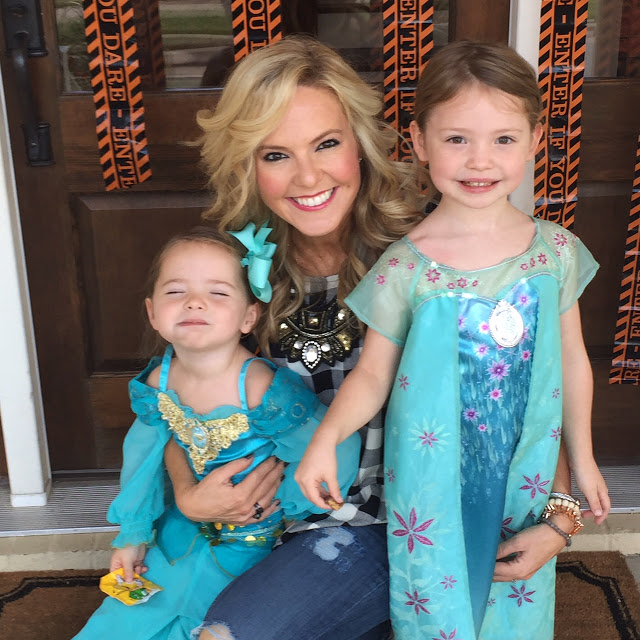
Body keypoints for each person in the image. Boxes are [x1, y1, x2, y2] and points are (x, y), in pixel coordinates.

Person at [164, 36, 581, 640]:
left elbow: (528, 386)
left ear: (361, 143)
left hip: (397, 526)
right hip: (268, 523)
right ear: (245, 165)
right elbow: (170, 396)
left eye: (326, 144)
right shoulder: (231, 266)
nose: (308, 176)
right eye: (275, 154)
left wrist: (561, 514)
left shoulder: (439, 246)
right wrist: (187, 496)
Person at [295, 40, 611, 640]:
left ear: (536, 139)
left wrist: (585, 458)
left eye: (503, 139)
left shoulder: (556, 252)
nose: (479, 161)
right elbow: (373, 375)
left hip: (525, 473)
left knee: (516, 603)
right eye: (457, 138)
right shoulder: (405, 266)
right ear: (419, 141)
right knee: (436, 610)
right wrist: (326, 439)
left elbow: (572, 361)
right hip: (430, 479)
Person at [72, 225, 360, 640]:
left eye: (218, 293)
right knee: (127, 619)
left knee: (208, 620)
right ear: (152, 312)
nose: (194, 302)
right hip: (181, 528)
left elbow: (333, 445)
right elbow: (142, 457)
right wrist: (132, 535)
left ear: (248, 317)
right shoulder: (159, 381)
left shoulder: (259, 388)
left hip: (251, 540)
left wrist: (287, 505)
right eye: (176, 291)